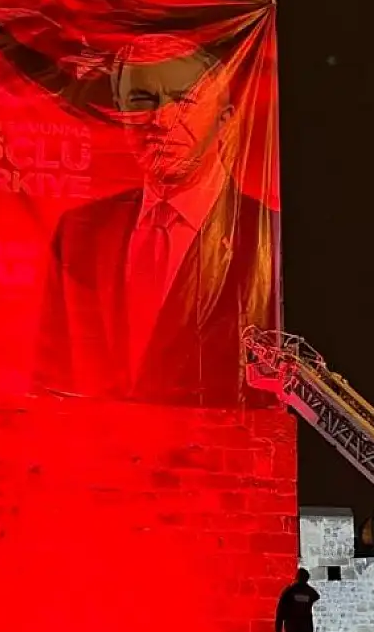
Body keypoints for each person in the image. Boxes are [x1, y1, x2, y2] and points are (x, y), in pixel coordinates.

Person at [34, 34, 278, 407]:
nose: (161, 121)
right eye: (141, 100)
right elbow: (51, 374)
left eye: (183, 100)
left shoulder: (267, 238)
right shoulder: (79, 232)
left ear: (225, 120)